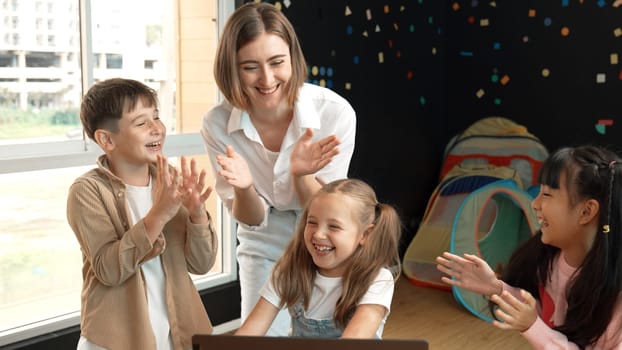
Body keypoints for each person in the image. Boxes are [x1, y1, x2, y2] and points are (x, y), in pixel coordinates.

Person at [201, 2, 356, 336]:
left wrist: (301, 175)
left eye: (277, 62)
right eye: (250, 67)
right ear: (231, 68)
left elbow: (329, 209)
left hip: (324, 230)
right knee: (261, 337)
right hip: (263, 236)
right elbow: (252, 219)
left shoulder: (334, 113)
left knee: (332, 333)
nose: (267, 79)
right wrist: (243, 188)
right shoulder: (216, 124)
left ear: (292, 58)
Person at [67, 78, 218, 350]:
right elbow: (109, 270)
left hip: (177, 336)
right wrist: (158, 214)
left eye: (157, 117)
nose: (157, 129)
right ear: (106, 139)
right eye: (141, 123)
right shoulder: (87, 191)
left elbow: (201, 264)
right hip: (113, 341)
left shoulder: (170, 178)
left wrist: (197, 216)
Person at [436, 145, 622, 349]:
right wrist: (497, 288)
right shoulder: (551, 260)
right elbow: (543, 314)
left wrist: (533, 326)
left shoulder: (616, 294)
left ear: (586, 212)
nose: (535, 203)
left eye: (547, 194)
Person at [234, 178, 401, 338]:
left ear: (365, 234)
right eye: (312, 222)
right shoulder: (289, 271)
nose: (318, 234)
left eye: (334, 226)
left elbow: (353, 343)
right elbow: (249, 333)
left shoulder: (377, 280)